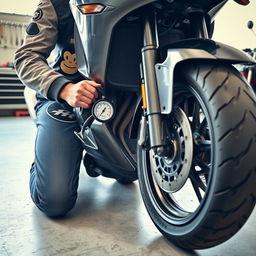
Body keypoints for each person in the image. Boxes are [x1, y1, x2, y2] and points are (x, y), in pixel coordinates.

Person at [14, 0, 101, 217]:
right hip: (65, 100)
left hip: (126, 104)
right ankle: (45, 161)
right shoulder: (58, 4)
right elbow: (26, 57)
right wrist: (64, 89)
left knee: (126, 174)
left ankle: (98, 158)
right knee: (54, 200)